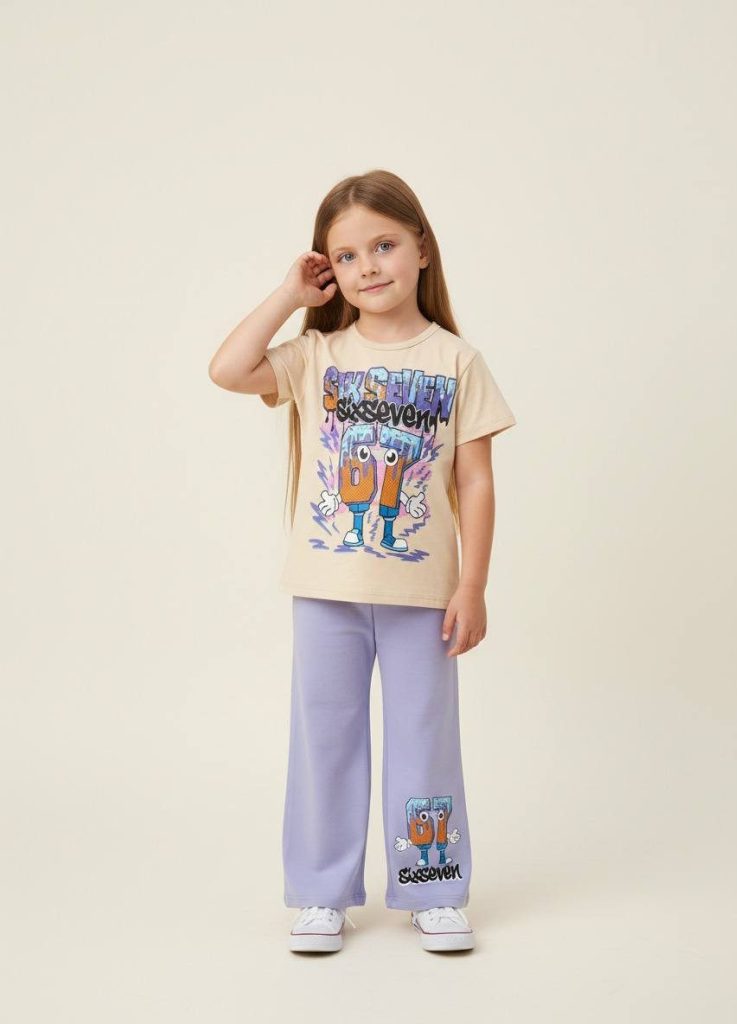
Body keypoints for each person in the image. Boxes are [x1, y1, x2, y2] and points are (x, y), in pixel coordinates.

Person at [208, 169, 517, 954]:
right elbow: (227, 369)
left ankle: (432, 886)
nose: (367, 266)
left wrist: (472, 584)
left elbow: (475, 481)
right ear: (329, 270)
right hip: (326, 590)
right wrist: (289, 295)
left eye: (383, 245)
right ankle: (320, 893)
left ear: (421, 248)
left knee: (424, 740)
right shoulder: (316, 354)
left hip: (423, 594)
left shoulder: (456, 360)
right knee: (325, 740)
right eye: (345, 256)